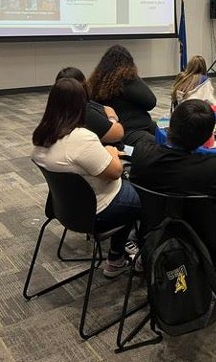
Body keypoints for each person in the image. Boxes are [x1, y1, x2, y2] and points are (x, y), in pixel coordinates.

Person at [32, 78, 140, 278]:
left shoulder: (41, 137)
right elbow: (115, 171)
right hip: (98, 211)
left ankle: (119, 253)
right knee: (139, 190)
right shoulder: (81, 137)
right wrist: (112, 153)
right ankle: (119, 258)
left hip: (65, 211)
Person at [130, 99, 216, 254]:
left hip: (154, 231)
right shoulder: (213, 168)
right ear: (208, 136)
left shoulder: (142, 152)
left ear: (171, 124)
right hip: (206, 239)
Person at [88, 45, 157, 146]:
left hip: (117, 130)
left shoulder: (95, 82)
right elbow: (151, 102)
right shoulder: (128, 81)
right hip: (132, 131)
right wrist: (134, 77)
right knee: (163, 144)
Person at [55, 67, 124, 146]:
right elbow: (118, 133)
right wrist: (112, 117)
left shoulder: (56, 110)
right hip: (110, 151)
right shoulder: (83, 112)